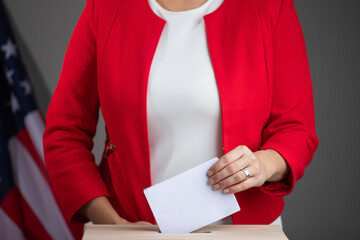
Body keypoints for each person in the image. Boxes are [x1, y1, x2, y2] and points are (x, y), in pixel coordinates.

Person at [43, 0, 319, 235]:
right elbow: (64, 133)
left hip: (244, 232)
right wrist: (113, 224)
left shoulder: (269, 6)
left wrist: (262, 164)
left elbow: (296, 129)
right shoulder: (105, 7)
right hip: (129, 228)